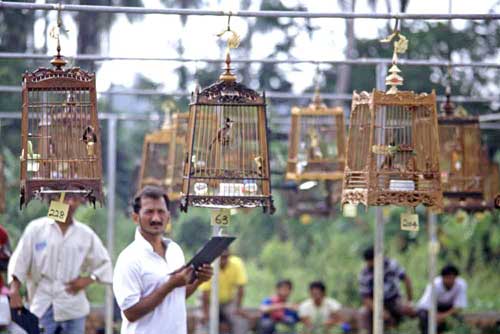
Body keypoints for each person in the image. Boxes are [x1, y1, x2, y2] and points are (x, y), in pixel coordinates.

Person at [113, 186, 213, 334]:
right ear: (135, 217)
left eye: (161, 212)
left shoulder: (175, 250)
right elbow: (131, 313)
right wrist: (170, 285)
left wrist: (199, 280)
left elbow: (177, 297)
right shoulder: (128, 259)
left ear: (168, 216)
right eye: (149, 212)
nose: (156, 218)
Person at [8, 193, 113, 334]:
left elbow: (105, 264)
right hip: (42, 305)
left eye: (74, 198)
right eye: (65, 198)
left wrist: (88, 279)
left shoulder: (85, 234)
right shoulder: (36, 229)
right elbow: (20, 261)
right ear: (53, 199)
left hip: (73, 307)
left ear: (79, 201)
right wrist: (14, 290)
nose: (70, 203)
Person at [357, 247, 414, 334]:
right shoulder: (364, 273)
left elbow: (406, 279)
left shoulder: (391, 264)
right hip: (375, 303)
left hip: (394, 298)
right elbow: (366, 298)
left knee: (410, 311)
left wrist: (409, 301)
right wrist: (380, 311)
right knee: (364, 313)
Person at [200, 249, 248, 334]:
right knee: (204, 323)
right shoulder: (209, 265)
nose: (223, 260)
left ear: (229, 255)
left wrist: (238, 308)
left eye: (226, 257)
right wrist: (205, 313)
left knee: (239, 321)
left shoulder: (237, 263)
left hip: (228, 302)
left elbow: (241, 288)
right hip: (209, 303)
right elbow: (205, 294)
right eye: (221, 257)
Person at [417, 264, 467, 334]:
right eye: (448, 278)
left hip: (448, 309)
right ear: (443, 277)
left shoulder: (461, 285)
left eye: (453, 278)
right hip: (430, 309)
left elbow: (459, 307)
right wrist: (435, 315)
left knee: (460, 320)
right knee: (424, 316)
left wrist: (443, 316)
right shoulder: (435, 284)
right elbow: (425, 305)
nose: (451, 281)